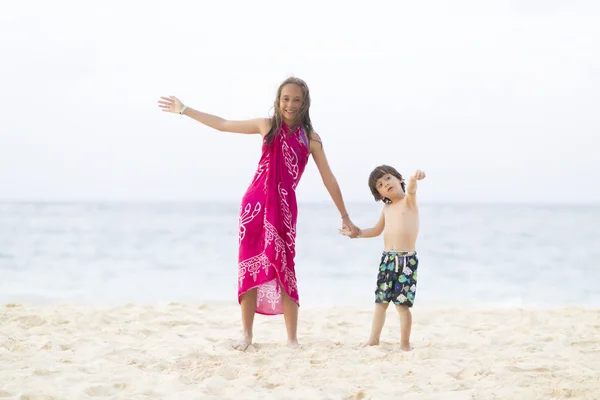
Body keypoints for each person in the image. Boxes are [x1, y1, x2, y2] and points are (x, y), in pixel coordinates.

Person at [158, 77, 360, 350]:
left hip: (285, 210)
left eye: (296, 99)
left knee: (286, 267)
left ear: (305, 103)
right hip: (254, 206)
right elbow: (224, 125)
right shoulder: (266, 126)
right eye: (285, 99)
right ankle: (247, 336)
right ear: (278, 101)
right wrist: (184, 109)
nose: (290, 104)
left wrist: (344, 215)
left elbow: (328, 178)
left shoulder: (310, 139)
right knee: (249, 267)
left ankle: (292, 340)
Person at [340, 165, 425, 351]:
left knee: (402, 305)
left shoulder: (409, 201)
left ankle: (404, 344)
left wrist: (413, 178)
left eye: (387, 178)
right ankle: (373, 339)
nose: (385, 184)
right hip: (387, 260)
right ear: (378, 194)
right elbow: (377, 231)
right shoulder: (387, 208)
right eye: (380, 184)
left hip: (406, 261)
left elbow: (411, 189)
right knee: (381, 302)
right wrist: (356, 233)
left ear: (398, 178)